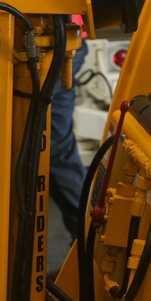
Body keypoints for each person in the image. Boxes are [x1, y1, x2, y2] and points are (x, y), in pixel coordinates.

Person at [49, 37, 89, 241]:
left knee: (52, 147)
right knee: (54, 148)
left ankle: (87, 241)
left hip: (56, 45)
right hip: (60, 43)